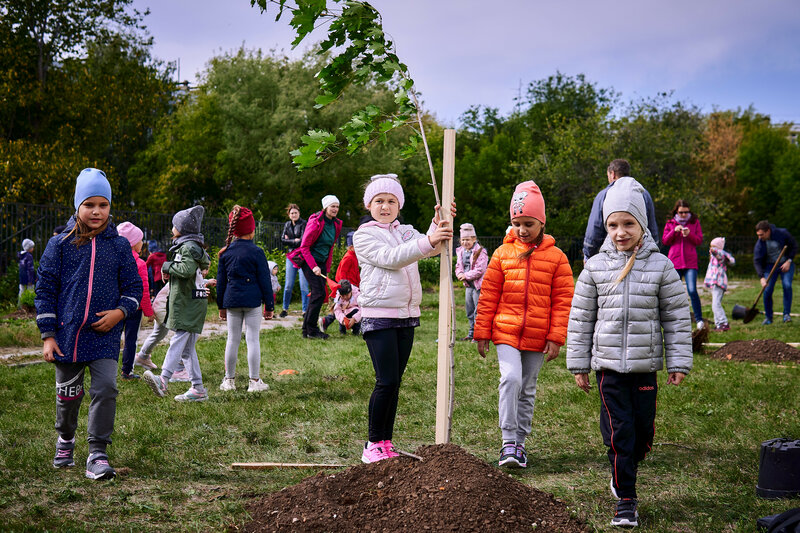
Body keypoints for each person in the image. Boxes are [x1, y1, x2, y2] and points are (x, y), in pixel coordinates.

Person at [567, 177, 692, 528]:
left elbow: (677, 316)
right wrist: (579, 363)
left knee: (642, 434)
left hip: (644, 365)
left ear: (642, 224)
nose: (620, 232)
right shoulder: (594, 268)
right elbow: (580, 318)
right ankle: (626, 500)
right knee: (622, 432)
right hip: (607, 367)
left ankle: (623, 460)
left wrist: (679, 360)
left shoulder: (661, 267)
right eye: (612, 225)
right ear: (605, 226)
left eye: (628, 224)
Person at [35, 168, 142, 480]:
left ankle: (97, 452)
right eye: (89, 204)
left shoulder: (120, 246)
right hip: (67, 338)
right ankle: (65, 439)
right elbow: (45, 290)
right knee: (68, 397)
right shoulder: (59, 245)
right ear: (77, 206)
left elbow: (134, 289)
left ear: (110, 207)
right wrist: (48, 335)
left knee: (106, 387)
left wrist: (119, 313)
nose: (97, 211)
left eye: (103, 205)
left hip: (104, 337)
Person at [353, 173, 454, 463]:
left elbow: (427, 246)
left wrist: (439, 223)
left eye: (391, 201)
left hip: (406, 316)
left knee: (395, 382)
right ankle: (372, 443)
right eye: (379, 201)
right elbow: (393, 257)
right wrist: (429, 240)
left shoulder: (406, 230)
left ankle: (386, 442)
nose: (385, 206)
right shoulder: (365, 235)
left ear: (399, 205)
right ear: (368, 204)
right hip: (379, 316)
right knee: (385, 381)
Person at [473, 181, 574, 469]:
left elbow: (563, 300)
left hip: (538, 335)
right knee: (511, 379)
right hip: (505, 331)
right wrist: (482, 332)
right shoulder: (502, 255)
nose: (522, 230)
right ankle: (507, 441)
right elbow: (489, 294)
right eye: (516, 223)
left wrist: (556, 337)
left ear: (542, 222)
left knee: (527, 387)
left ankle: (520, 444)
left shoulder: (557, 258)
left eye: (528, 223)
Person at [142, 205, 211, 402]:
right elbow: (196, 266)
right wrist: (171, 268)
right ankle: (198, 389)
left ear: (183, 229)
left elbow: (186, 270)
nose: (172, 228)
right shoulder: (192, 246)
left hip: (188, 304)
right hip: (192, 302)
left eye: (174, 225)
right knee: (188, 349)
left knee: (177, 340)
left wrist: (166, 266)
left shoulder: (187, 247)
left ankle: (163, 379)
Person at [215, 206, 273, 392]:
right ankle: (254, 382)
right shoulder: (257, 252)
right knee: (252, 339)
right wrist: (269, 306)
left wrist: (221, 306)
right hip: (253, 301)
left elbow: (221, 283)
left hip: (231, 301)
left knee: (232, 339)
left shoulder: (225, 253)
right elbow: (265, 282)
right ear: (252, 229)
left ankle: (229, 380)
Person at [288, 195, 343, 339]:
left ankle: (306, 330)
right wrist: (314, 266)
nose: (335, 209)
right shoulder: (315, 222)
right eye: (333, 206)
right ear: (325, 207)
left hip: (322, 263)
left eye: (337, 206)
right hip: (309, 261)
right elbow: (304, 247)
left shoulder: (336, 224)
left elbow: (330, 247)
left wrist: (326, 267)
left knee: (319, 294)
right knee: (319, 294)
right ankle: (312, 330)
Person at [583, 159, 659, 261]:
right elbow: (651, 226)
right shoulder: (643, 193)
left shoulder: (604, 194)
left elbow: (595, 227)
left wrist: (588, 253)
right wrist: (655, 249)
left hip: (610, 257)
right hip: (641, 255)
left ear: (612, 174)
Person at [116, 222, 154, 380]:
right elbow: (144, 290)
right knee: (131, 340)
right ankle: (127, 371)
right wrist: (149, 311)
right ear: (132, 243)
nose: (142, 244)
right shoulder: (140, 264)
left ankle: (108, 369)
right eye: (140, 240)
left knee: (113, 339)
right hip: (134, 309)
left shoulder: (114, 261)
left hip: (116, 308)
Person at [662, 200, 705, 329]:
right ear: (676, 212)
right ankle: (675, 319)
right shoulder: (670, 223)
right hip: (675, 262)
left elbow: (699, 240)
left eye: (686, 212)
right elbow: (665, 241)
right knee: (674, 292)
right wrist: (674, 231)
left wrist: (689, 234)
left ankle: (699, 320)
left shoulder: (694, 222)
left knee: (692, 290)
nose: (684, 215)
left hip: (690, 263)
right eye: (681, 212)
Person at [754, 220, 798, 324]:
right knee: (767, 289)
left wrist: (789, 261)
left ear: (768, 231)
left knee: (787, 285)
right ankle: (769, 318)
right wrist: (761, 277)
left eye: (761, 234)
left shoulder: (782, 233)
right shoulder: (760, 243)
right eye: (758, 235)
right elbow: (757, 261)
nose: (759, 237)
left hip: (785, 263)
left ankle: (786, 315)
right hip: (770, 266)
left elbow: (794, 246)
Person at [455, 223, 488, 341]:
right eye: (463, 240)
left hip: (478, 286)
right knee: (469, 309)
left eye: (468, 240)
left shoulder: (480, 252)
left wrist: (466, 275)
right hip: (469, 286)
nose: (465, 242)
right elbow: (458, 266)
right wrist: (459, 273)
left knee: (477, 310)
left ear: (474, 239)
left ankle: (478, 335)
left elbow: (480, 270)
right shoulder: (460, 252)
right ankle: (471, 333)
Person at [279, 204, 309, 317]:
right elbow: (282, 240)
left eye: (295, 212)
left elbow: (302, 240)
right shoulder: (287, 224)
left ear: (299, 213)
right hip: (291, 256)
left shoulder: (303, 224)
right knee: (288, 285)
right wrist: (294, 240)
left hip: (302, 256)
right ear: (289, 215)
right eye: (292, 213)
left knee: (303, 285)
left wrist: (290, 240)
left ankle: (305, 310)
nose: (294, 215)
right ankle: (285, 309)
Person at [704, 237, 736, 332]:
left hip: (718, 281)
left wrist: (714, 250)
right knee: (714, 304)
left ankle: (724, 323)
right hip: (716, 282)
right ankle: (718, 324)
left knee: (716, 304)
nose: (711, 248)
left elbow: (718, 253)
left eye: (713, 246)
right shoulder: (715, 257)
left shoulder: (719, 253)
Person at [17, 238, 36, 306]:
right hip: (29, 277)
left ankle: (20, 305)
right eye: (32, 247)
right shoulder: (29, 256)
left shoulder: (21, 256)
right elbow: (30, 269)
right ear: (29, 248)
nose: (33, 248)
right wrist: (32, 279)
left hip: (22, 277)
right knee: (30, 291)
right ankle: (31, 305)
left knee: (21, 291)